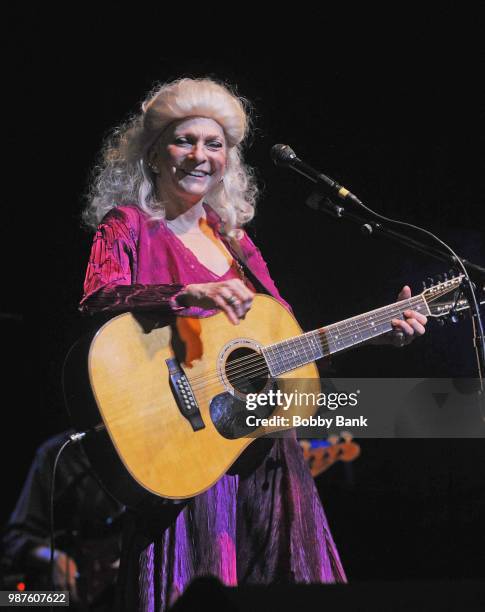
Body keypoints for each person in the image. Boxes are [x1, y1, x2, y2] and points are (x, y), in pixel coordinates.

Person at [79, 77, 427, 610]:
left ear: (229, 159)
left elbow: (284, 347)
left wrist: (382, 336)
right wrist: (184, 291)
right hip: (184, 453)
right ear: (153, 153)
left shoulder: (236, 243)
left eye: (214, 144)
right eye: (184, 140)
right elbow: (98, 299)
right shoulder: (128, 227)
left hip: (264, 457)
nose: (200, 155)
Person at [1, 430, 124, 611]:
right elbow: (14, 539)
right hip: (66, 599)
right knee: (9, 599)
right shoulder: (55, 453)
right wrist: (54, 558)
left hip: (125, 597)